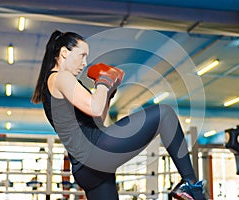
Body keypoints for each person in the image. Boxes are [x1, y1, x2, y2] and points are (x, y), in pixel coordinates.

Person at [31, 30, 206, 200]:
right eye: (82, 55)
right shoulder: (61, 77)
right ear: (64, 53)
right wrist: (104, 81)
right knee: (165, 113)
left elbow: (97, 119)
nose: (85, 63)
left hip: (86, 170)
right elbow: (95, 108)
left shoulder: (55, 82)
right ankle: (189, 184)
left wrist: (108, 94)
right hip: (94, 151)